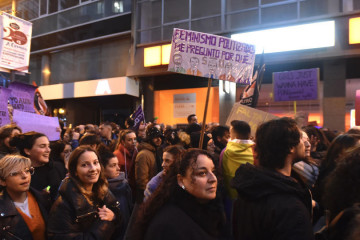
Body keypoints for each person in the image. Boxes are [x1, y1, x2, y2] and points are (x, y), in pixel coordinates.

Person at [231, 117, 314, 240]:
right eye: (301, 139)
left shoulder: (248, 188)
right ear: (290, 147)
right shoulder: (289, 206)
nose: (305, 143)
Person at [134, 148, 225, 240]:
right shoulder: (168, 225)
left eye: (213, 171)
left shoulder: (212, 209)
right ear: (181, 180)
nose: (213, 179)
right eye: (202, 173)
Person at [47, 146, 122, 239]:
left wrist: (114, 216)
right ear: (75, 171)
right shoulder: (64, 205)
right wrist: (106, 223)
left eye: (95, 162)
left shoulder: (102, 190)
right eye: (84, 165)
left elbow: (117, 212)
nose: (93, 169)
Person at [0, 155, 51, 240]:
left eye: (27, 171)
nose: (25, 176)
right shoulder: (2, 210)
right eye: (15, 173)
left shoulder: (44, 198)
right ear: (2, 181)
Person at [10, 132, 63, 201]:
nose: (48, 150)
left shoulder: (58, 167)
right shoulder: (18, 174)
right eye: (42, 146)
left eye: (48, 146)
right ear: (27, 151)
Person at [98, 145, 132, 240]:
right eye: (113, 166)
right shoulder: (100, 190)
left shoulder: (124, 184)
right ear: (102, 169)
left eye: (117, 164)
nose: (118, 168)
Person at [134, 127, 163, 202]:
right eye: (155, 137)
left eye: (160, 137)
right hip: (148, 197)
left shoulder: (156, 152)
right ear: (149, 139)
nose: (159, 139)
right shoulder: (143, 155)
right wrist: (149, 194)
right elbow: (142, 181)